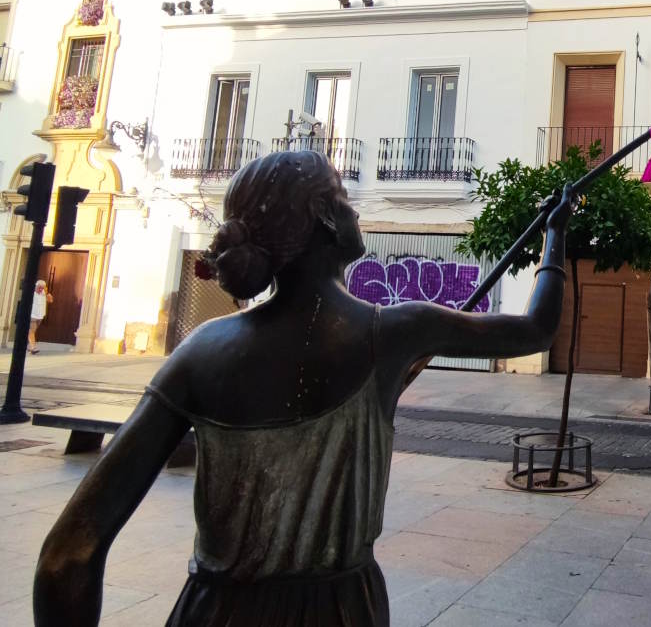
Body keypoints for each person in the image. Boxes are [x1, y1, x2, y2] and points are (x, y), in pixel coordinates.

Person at [33, 150, 574, 626]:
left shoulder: (200, 350)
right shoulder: (395, 332)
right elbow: (536, 329)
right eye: (342, 197)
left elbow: (66, 556)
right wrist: (555, 234)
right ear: (323, 216)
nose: (354, 208)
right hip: (340, 612)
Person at [28, 279, 52, 354]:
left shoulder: (45, 293)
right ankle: (33, 347)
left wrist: (47, 294)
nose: (40, 289)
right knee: (31, 330)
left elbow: (50, 301)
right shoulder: (31, 293)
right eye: (39, 287)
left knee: (33, 331)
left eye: (42, 287)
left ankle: (30, 346)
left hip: (40, 315)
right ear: (36, 286)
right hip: (32, 315)